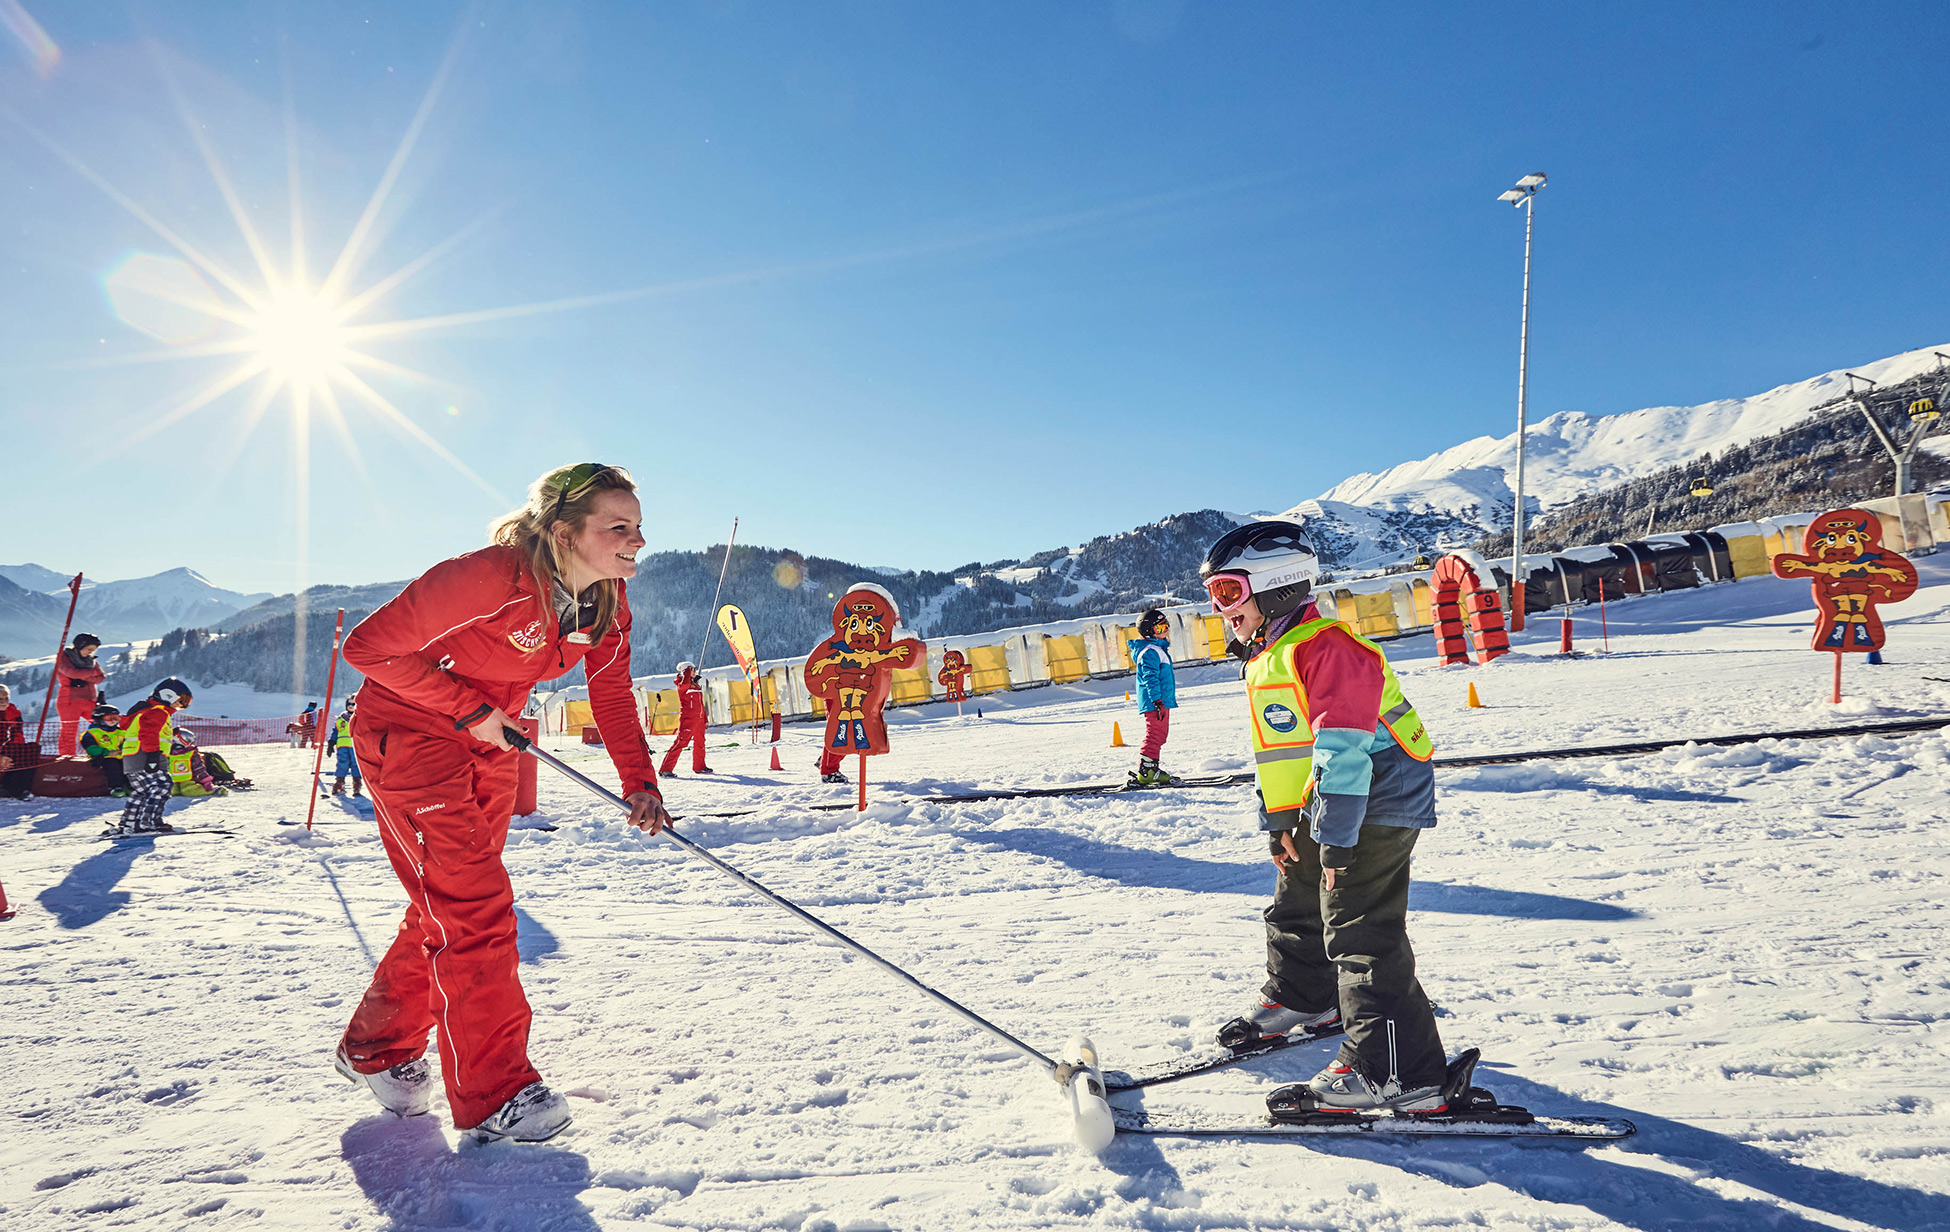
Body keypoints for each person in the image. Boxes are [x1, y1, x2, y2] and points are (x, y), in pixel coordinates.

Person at [333, 462, 669, 1144]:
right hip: (411, 734)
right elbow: (367, 648)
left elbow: (608, 694)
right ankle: (495, 1093)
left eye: (638, 525)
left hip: (490, 744)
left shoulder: (608, 602)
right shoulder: (488, 577)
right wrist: (470, 710)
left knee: (450, 905)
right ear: (564, 531)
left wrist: (640, 781)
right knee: (474, 907)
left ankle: (378, 1047)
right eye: (618, 526)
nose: (637, 539)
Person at [1199, 520, 1452, 1115]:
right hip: (1328, 803)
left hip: (1375, 799)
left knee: (1361, 927)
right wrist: (1279, 823)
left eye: (1230, 593)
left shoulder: (1328, 647)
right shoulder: (1271, 654)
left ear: (1277, 585)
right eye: (1215, 596)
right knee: (1298, 894)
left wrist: (1337, 842)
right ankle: (1305, 995)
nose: (1222, 610)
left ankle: (1398, 1071)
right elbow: (1281, 753)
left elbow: (1343, 752)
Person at [116, 678, 194, 832]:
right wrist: (152, 755)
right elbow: (148, 732)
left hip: (132, 757)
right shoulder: (158, 711)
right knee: (162, 785)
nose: (181, 706)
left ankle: (129, 823)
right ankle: (149, 821)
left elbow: (150, 731)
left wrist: (172, 733)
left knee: (143, 791)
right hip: (145, 755)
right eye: (180, 701)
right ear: (168, 695)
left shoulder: (147, 711)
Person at [1128, 608, 1178, 787]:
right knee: (1155, 734)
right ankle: (1147, 771)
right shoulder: (1150, 651)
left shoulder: (1156, 648)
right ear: (1150, 632)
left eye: (1166, 626)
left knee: (1160, 734)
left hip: (1159, 701)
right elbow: (1150, 678)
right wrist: (1157, 700)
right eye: (1160, 628)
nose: (1165, 630)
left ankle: (1151, 769)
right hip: (1155, 702)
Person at [54, 633, 107, 756]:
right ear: (80, 646)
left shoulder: (91, 661)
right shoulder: (64, 657)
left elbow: (100, 678)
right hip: (70, 700)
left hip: (90, 700)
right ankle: (67, 758)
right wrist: (91, 674)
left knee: (102, 725)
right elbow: (71, 673)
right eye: (89, 649)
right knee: (69, 731)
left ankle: (101, 753)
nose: (90, 653)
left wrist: (82, 676)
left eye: (93, 650)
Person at [658, 662, 711, 776]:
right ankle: (665, 769)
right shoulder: (682, 685)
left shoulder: (695, 685)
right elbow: (685, 683)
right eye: (691, 670)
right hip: (688, 719)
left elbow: (701, 704)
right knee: (681, 742)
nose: (694, 672)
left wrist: (705, 719)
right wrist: (686, 672)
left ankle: (699, 766)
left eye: (694, 669)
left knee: (700, 742)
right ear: (685, 671)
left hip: (699, 719)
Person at [80, 703, 131, 796]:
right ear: (99, 719)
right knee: (112, 765)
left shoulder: (121, 732)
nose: (113, 721)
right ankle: (116, 787)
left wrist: (124, 749)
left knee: (128, 765)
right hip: (103, 757)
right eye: (109, 719)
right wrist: (107, 752)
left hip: (121, 756)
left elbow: (127, 742)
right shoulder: (92, 733)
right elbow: (91, 748)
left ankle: (129, 786)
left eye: (116, 718)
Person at [0, 684, 34, 799]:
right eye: (0, 699)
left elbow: (18, 735)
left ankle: (15, 788)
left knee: (31, 749)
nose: (4, 702)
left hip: (6, 746)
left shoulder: (13, 712)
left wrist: (8, 753)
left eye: (6, 699)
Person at [330, 694, 363, 797]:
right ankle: (339, 783)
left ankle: (357, 784)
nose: (351, 706)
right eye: (349, 704)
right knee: (342, 764)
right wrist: (332, 742)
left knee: (356, 764)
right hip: (342, 745)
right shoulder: (341, 718)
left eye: (353, 704)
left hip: (355, 746)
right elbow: (336, 731)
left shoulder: (359, 717)